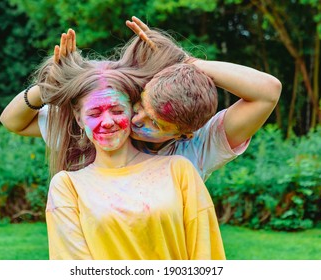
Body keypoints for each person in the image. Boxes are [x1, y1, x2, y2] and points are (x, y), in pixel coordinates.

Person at [0, 17, 282, 181]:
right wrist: (49, 86)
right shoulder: (108, 129)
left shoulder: (200, 146)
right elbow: (12, 121)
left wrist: (186, 60)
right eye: (140, 106)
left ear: (183, 135)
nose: (136, 120)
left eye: (155, 124)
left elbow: (267, 91)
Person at [38, 51, 225, 259]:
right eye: (94, 113)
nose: (107, 121)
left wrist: (185, 60)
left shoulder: (179, 170)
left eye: (117, 110)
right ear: (79, 119)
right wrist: (54, 78)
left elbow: (206, 254)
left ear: (132, 110)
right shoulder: (67, 186)